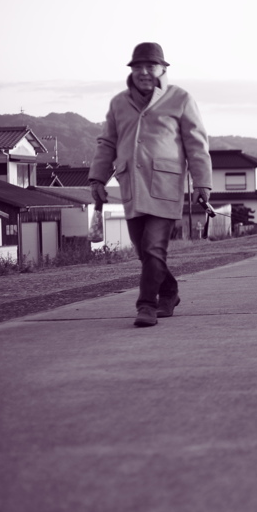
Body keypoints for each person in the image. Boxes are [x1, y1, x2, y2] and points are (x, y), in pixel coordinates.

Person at [89, 42, 213, 327]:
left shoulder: (180, 98)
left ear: (162, 69)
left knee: (154, 247)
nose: (144, 72)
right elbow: (107, 143)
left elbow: (196, 144)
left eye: (151, 66)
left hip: (165, 185)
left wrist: (202, 184)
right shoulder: (119, 103)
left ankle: (146, 305)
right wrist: (97, 178)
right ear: (131, 70)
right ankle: (169, 292)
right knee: (144, 252)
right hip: (131, 185)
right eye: (138, 67)